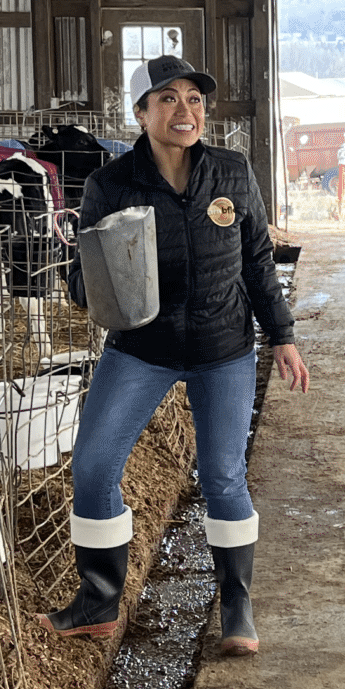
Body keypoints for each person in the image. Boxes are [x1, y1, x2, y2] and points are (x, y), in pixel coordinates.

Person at [48, 53, 311, 655]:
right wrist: (107, 272)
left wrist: (284, 336)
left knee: (222, 474)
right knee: (92, 469)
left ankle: (237, 606)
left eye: (193, 99)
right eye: (167, 99)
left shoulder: (231, 172)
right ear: (141, 114)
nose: (184, 110)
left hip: (224, 348)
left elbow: (257, 262)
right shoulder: (109, 185)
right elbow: (81, 281)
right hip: (141, 347)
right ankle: (98, 601)